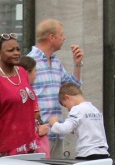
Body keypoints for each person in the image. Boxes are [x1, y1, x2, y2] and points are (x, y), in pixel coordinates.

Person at [0, 34, 48, 156]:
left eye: (18, 49)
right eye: (10, 50)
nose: (16, 53)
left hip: (30, 146)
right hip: (7, 150)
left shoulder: (22, 72)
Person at [27, 19, 83, 154]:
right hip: (39, 135)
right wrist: (34, 130)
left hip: (57, 132)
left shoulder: (55, 61)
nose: (64, 38)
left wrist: (77, 64)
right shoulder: (29, 62)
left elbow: (71, 90)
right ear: (52, 37)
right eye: (62, 34)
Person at [47, 83, 108, 160]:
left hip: (87, 154)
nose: (68, 109)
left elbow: (64, 129)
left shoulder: (76, 110)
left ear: (67, 97)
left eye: (65, 105)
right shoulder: (95, 110)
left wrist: (54, 123)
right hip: (103, 153)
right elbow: (91, 128)